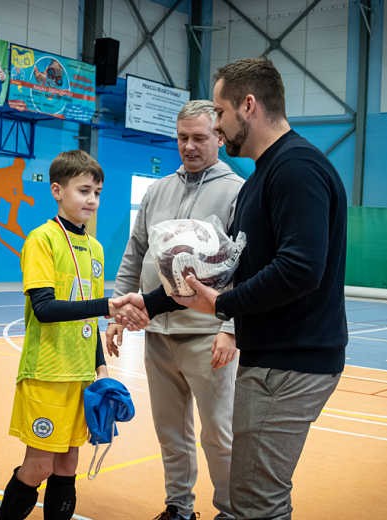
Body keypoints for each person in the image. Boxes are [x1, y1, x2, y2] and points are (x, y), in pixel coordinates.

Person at [148, 57, 348, 520]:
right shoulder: (264, 175)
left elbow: (300, 269)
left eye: (219, 113)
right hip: (270, 359)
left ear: (249, 105)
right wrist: (150, 301)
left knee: (257, 503)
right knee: (251, 497)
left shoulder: (296, 169)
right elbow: (227, 266)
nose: (217, 126)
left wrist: (223, 306)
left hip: (290, 363)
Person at [108, 100, 244, 520]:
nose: (189, 146)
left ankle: (230, 512)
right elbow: (135, 252)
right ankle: (178, 507)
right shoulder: (158, 190)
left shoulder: (237, 191)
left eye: (199, 138)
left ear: (218, 137)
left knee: (219, 435)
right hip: (157, 333)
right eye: (182, 138)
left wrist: (231, 328)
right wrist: (119, 310)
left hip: (208, 336)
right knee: (170, 432)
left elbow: (246, 266)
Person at [0, 150, 150, 520]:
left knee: (68, 464)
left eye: (97, 192)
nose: (92, 200)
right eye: (83, 191)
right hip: (47, 374)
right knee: (39, 467)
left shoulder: (95, 249)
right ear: (57, 191)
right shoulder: (42, 240)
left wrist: (100, 366)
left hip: (81, 377)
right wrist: (106, 305)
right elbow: (45, 309)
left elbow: (89, 318)